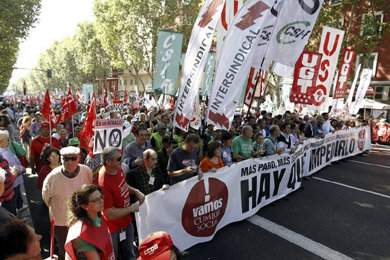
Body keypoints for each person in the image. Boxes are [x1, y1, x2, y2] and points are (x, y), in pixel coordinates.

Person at [42, 146, 93, 260]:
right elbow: (46, 198)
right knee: (65, 249)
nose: (69, 162)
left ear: (79, 158)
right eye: (66, 159)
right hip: (61, 221)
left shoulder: (86, 171)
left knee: (84, 248)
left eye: (73, 158)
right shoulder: (52, 177)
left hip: (82, 219)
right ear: (61, 159)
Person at [95, 147, 145, 260]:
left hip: (126, 222)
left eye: (121, 157)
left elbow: (122, 184)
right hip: (113, 227)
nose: (122, 160)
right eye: (118, 158)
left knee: (130, 253)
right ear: (108, 162)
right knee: (114, 256)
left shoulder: (118, 169)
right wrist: (131, 208)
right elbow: (109, 214)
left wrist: (135, 191)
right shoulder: (103, 183)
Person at [65, 184, 114, 260]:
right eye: (96, 200)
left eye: (101, 197)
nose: (101, 201)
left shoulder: (98, 216)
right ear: (84, 206)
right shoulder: (81, 233)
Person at [0, 130, 26, 213]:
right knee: (12, 208)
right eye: (7, 139)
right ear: (1, 142)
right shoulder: (3, 154)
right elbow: (9, 175)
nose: (9, 141)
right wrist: (20, 169)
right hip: (9, 189)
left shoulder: (5, 149)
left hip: (9, 187)